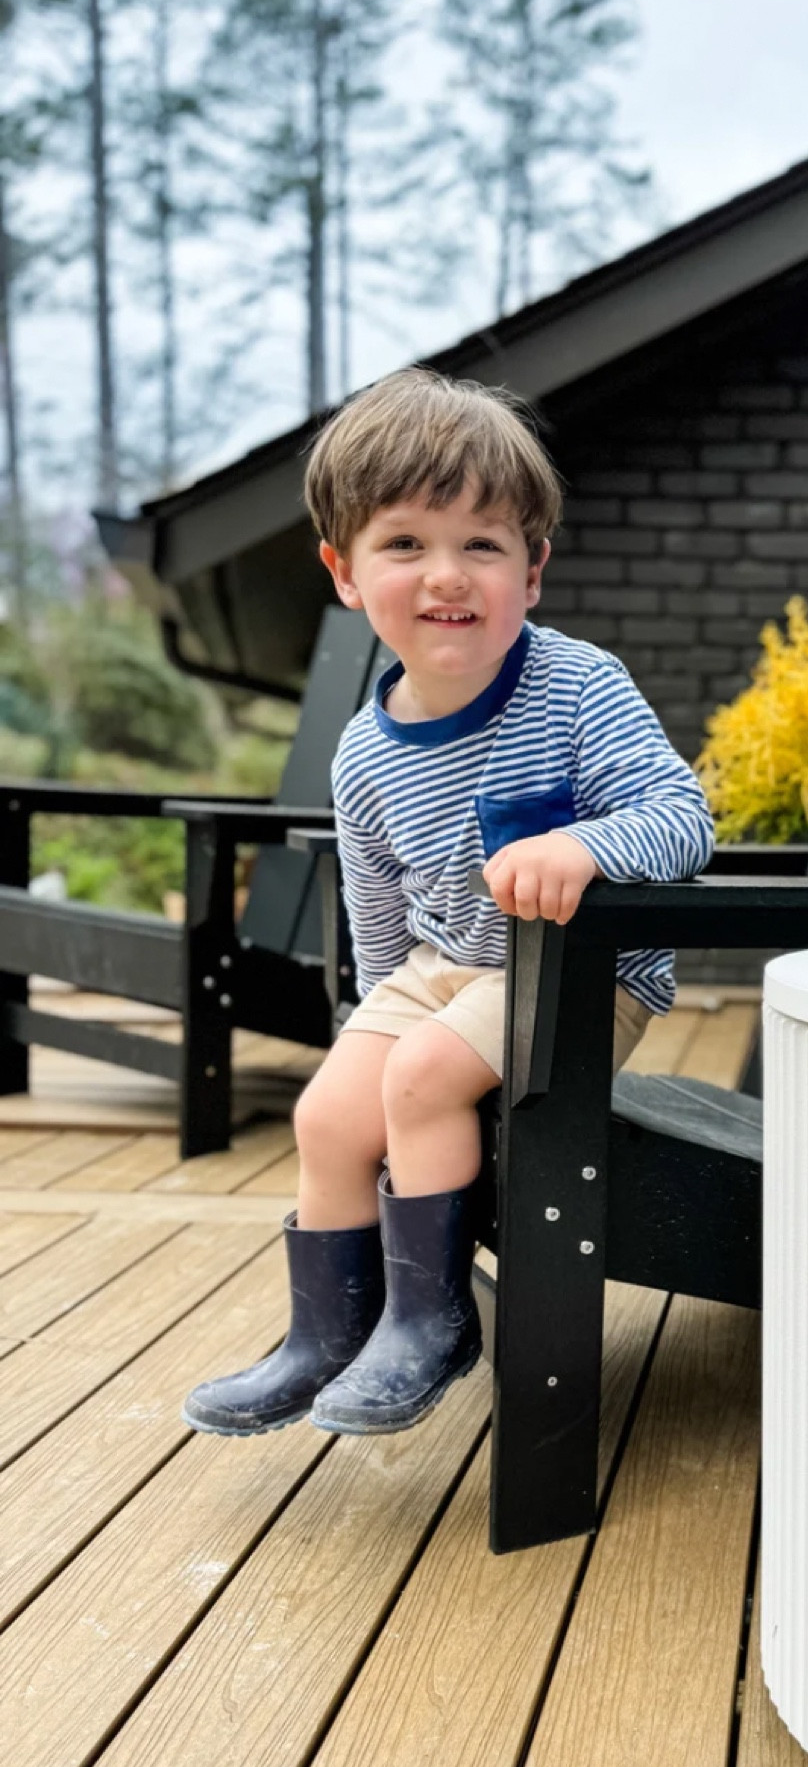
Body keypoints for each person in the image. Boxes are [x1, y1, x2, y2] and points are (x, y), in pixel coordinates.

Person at [183, 367, 714, 1438]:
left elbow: (682, 817)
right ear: (344, 571)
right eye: (405, 544)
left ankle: (432, 1321)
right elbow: (377, 910)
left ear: (534, 568)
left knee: (423, 1077)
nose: (448, 574)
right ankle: (328, 1331)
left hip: (578, 975)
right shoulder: (364, 749)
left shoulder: (577, 685)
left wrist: (584, 841)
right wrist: (367, 1027)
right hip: (441, 972)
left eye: (483, 544)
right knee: (330, 1108)